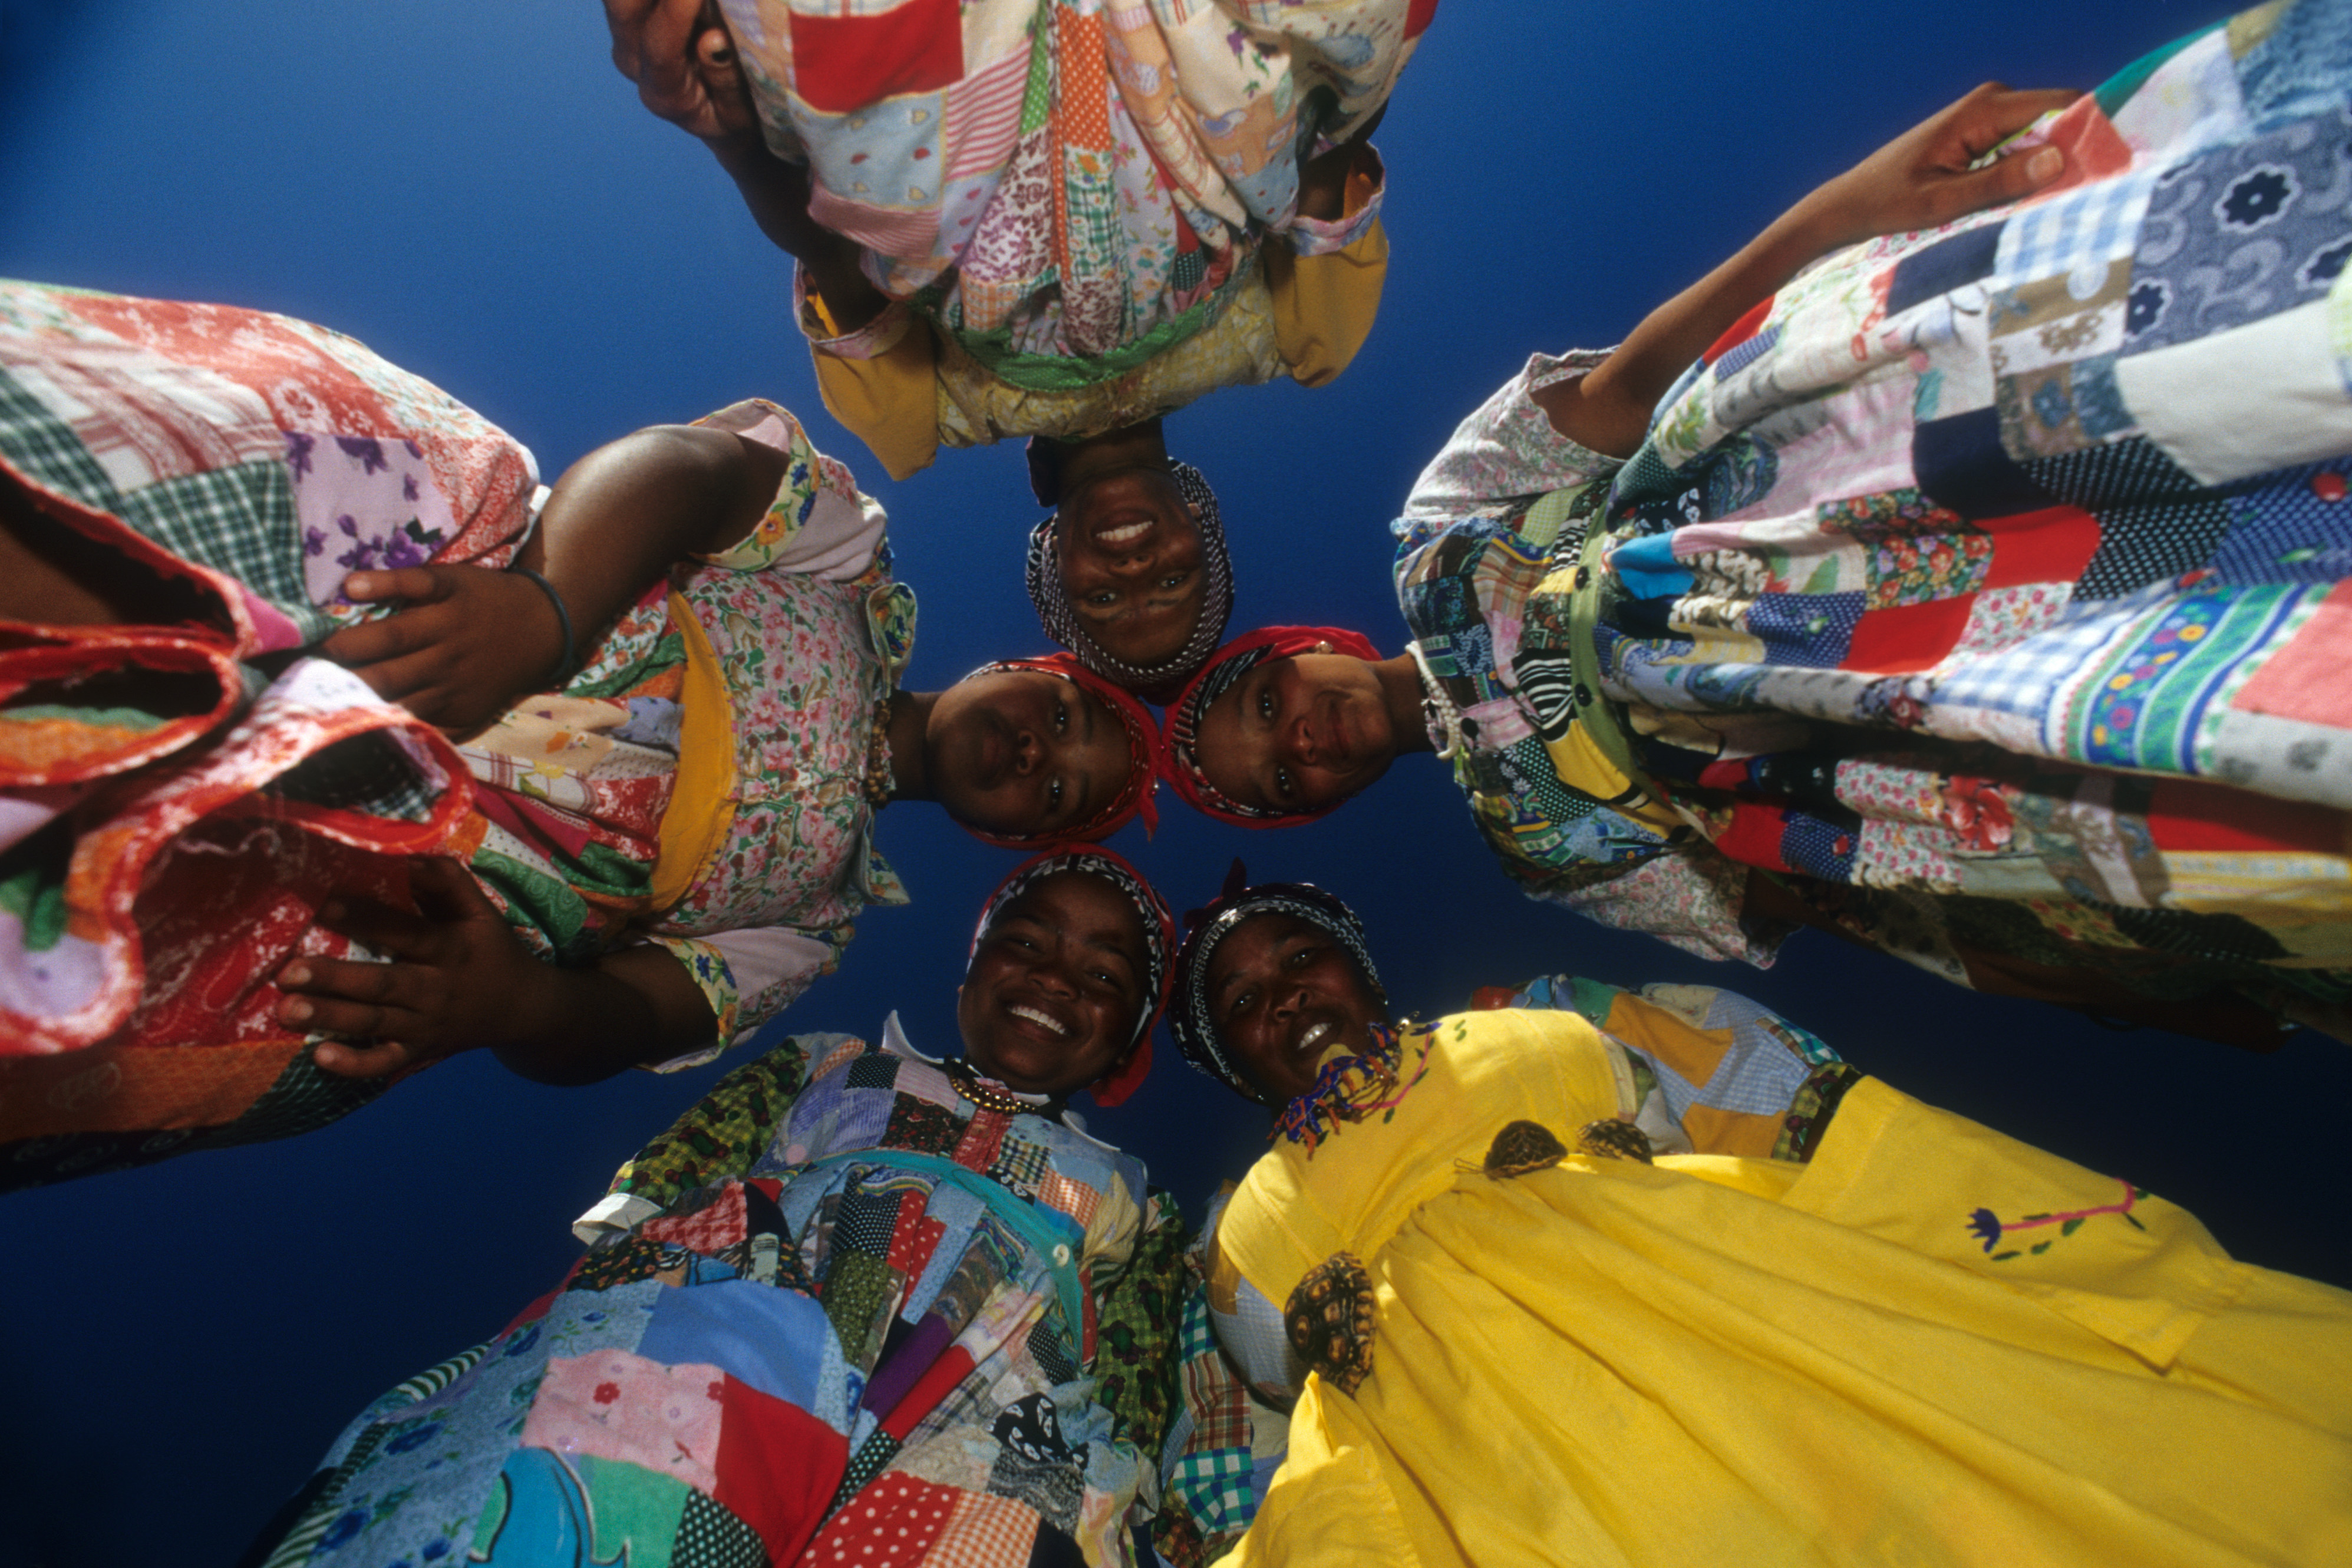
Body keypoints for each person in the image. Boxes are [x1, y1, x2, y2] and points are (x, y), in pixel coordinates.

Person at [1165, 1, 2352, 1044]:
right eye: (1282, 776)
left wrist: (1848, 206)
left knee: (2191, 348)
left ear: (1298, 641)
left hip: (1843, 469)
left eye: (1269, 704)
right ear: (1319, 804)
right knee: (2224, 698)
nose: (1301, 737)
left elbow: (1632, 382)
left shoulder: (1435, 537)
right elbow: (1807, 889)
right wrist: (2119, 974)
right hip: (1913, 712)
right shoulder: (1536, 846)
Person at [0, 279, 1162, 1190]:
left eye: (1057, 791)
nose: (1035, 756)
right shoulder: (848, 563)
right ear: (1020, 666)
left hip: (422, 875)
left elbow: (635, 1013)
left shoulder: (813, 928)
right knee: (419, 483)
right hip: (471, 600)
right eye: (1061, 719)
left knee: (326, 1025)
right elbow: (691, 471)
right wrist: (545, 610)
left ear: (1010, 835)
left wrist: (516, 1006)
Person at [1156, 872, 2352, 1567]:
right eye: (1245, 1002)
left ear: (1361, 971)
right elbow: (1261, 1419)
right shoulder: (1237, 1232)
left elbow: (1767, 1106)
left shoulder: (1535, 1027)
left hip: (1744, 1308)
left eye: (1304, 958)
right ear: (1232, 1065)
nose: (1286, 996)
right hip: (1502, 1460)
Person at [245, 847, 1186, 1568]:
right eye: (1026, 941)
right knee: (608, 1485)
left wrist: (1141, 1481)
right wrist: (627, 1241)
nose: (1059, 976)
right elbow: (701, 1143)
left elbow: (1142, 1361)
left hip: (1009, 1395)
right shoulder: (836, 1059)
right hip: (765, 1293)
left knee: (978, 1534)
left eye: (1106, 976)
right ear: (971, 969)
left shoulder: (1137, 1199)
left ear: (1123, 1050)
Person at [600, 0, 1427, 695]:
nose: (1135, 577)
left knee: (899, 199)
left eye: (1103, 602)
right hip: (1191, 113)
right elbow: (1333, 129)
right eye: (1175, 581)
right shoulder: (1296, 338)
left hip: (970, 147)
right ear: (1197, 510)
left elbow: (830, 253)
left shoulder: (927, 417)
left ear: (1051, 552)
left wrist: (736, 141)